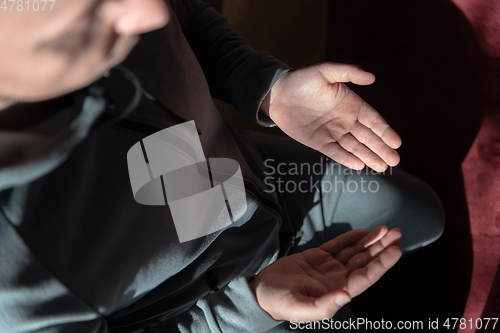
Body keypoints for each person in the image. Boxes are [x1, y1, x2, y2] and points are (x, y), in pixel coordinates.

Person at [0, 0, 444, 332]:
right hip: (214, 304)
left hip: (253, 176)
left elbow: (184, 17)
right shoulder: (11, 265)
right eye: (91, 11)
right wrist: (252, 307)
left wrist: (266, 88)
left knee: (425, 218)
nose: (153, 13)